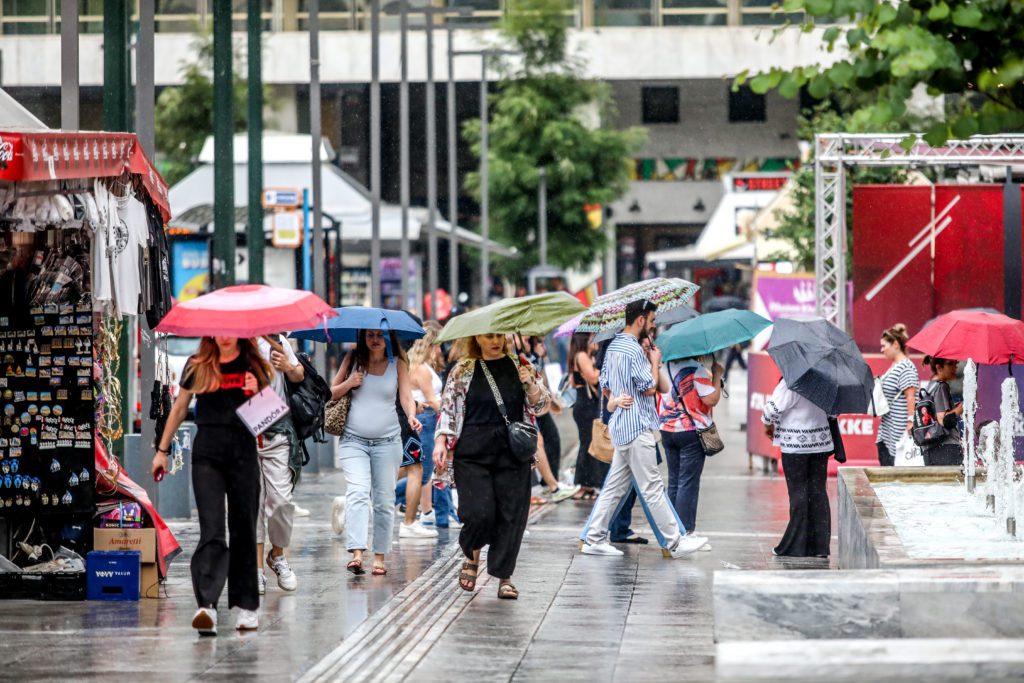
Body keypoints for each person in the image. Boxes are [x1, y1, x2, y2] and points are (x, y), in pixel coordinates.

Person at [152, 336, 272, 635]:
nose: (225, 336)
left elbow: (266, 424)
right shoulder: (197, 366)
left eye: (230, 330)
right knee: (212, 528)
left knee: (244, 527)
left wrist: (257, 393)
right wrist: (162, 451)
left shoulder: (255, 366)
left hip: (243, 454)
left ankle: (247, 607)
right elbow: (179, 408)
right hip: (208, 456)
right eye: (218, 330)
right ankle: (207, 606)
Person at [580, 299, 708, 558]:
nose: (652, 328)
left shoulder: (614, 346)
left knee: (615, 487)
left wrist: (619, 396)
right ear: (640, 319)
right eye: (651, 322)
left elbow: (605, 386)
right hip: (637, 426)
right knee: (651, 487)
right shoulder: (632, 350)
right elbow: (649, 387)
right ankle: (675, 541)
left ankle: (594, 537)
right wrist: (654, 361)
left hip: (621, 426)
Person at [433, 333, 550, 600]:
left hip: (512, 452)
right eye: (489, 336)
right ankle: (472, 554)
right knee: (478, 512)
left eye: (499, 335)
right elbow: (448, 409)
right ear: (477, 338)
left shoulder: (521, 364)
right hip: (472, 452)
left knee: (512, 516)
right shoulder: (462, 369)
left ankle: (504, 576)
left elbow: (542, 406)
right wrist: (441, 440)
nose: (495, 341)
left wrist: (530, 383)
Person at [331, 329, 422, 576]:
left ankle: (379, 556)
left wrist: (412, 415)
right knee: (358, 492)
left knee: (384, 500)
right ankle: (358, 553)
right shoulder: (352, 358)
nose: (374, 339)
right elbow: (330, 393)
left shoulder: (398, 363)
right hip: (353, 441)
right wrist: (350, 383)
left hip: (388, 441)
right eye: (369, 335)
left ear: (388, 338)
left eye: (380, 335)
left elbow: (405, 396)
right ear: (362, 337)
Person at [761, 378, 833, 558]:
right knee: (818, 492)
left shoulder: (791, 381)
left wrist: (767, 425)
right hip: (821, 443)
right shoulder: (826, 380)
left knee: (798, 493)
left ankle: (796, 546)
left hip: (795, 447)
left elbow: (771, 409)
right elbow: (834, 412)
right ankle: (820, 547)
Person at [255, 335, 304, 594]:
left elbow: (298, 375)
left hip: (277, 427)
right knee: (253, 504)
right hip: (244, 427)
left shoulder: (278, 340)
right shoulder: (236, 341)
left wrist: (287, 365)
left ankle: (277, 556)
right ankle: (256, 571)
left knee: (282, 501)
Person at [656, 354, 723, 536]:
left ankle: (671, 532)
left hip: (667, 430)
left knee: (674, 482)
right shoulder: (695, 369)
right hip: (690, 432)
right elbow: (711, 399)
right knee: (688, 483)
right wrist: (717, 376)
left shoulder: (664, 367)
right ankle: (684, 531)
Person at [404, 321, 459, 528]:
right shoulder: (421, 370)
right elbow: (433, 400)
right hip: (427, 418)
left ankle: (432, 512)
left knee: (425, 470)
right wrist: (451, 415)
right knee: (423, 472)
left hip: (428, 418)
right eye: (436, 345)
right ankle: (384, 496)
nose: (439, 350)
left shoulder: (423, 367)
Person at [569, 332, 606, 500]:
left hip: (584, 404)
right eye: (591, 338)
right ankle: (586, 483)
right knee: (588, 444)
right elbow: (593, 378)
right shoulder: (582, 355)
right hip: (586, 405)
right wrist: (601, 366)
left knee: (588, 443)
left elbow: (572, 381)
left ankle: (588, 484)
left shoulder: (580, 356)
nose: (594, 340)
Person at [877, 324, 918, 466]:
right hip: (888, 430)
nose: (882, 350)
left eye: (884, 346)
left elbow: (911, 396)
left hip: (899, 432)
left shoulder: (905, 366)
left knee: (895, 476)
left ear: (895, 344)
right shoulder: (895, 365)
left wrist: (910, 422)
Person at [921, 356, 964, 466]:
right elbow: (944, 421)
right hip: (946, 448)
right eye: (950, 364)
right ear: (939, 367)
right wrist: (963, 406)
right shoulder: (941, 386)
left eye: (956, 363)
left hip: (930, 448)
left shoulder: (929, 386)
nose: (955, 367)